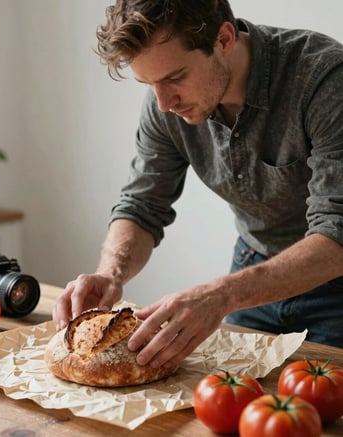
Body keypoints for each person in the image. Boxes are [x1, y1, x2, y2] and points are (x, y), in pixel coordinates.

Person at [53, 0, 343, 369]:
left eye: (174, 78)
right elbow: (141, 207)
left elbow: (338, 234)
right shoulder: (166, 103)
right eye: (149, 84)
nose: (163, 104)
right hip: (252, 270)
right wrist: (111, 274)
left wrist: (219, 295)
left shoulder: (324, 77)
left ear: (224, 39)